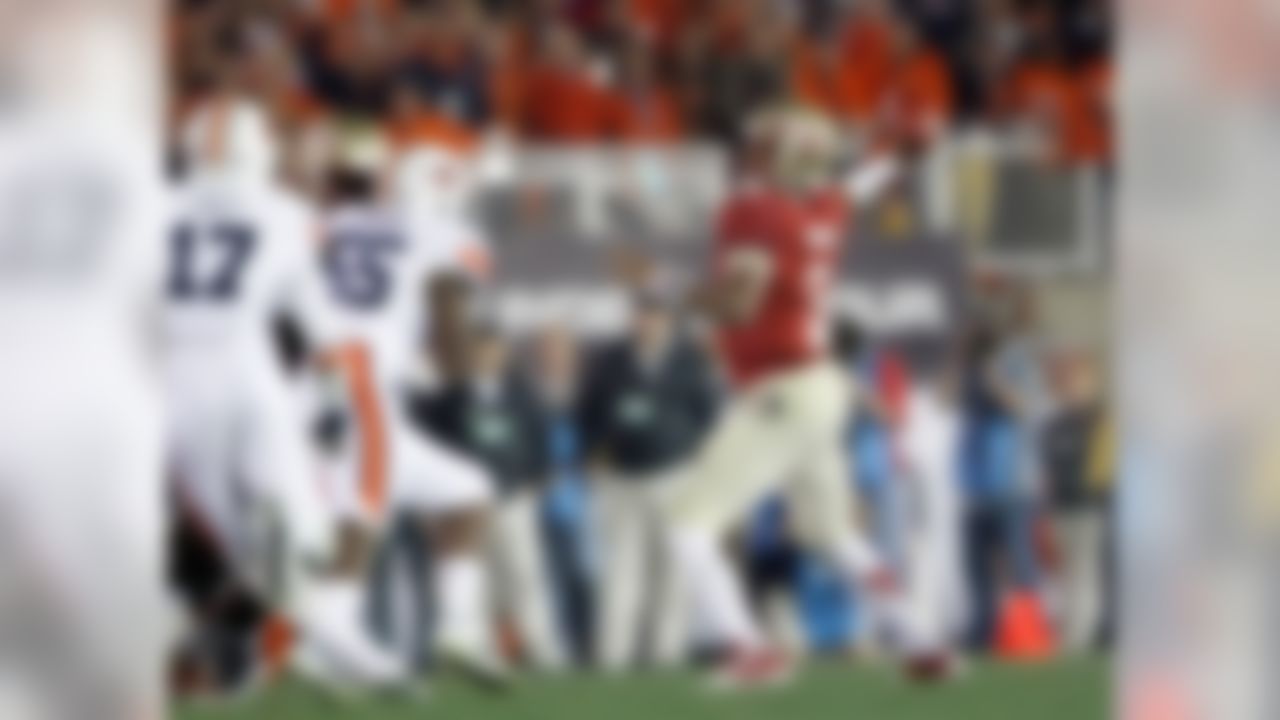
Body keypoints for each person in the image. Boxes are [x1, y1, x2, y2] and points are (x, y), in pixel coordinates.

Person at [165, 85, 407, 689]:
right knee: (300, 530)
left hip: (170, 379)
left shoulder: (150, 208)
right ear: (257, 154)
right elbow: (323, 331)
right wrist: (331, 408)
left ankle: (265, 651)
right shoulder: (288, 217)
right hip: (246, 370)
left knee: (231, 542)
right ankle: (333, 643)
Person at [664, 105, 906, 688]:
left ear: (772, 155)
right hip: (819, 384)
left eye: (757, 143)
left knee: (688, 522)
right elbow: (854, 186)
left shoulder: (757, 209)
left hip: (781, 385)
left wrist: (668, 291)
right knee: (834, 533)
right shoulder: (820, 208)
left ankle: (749, 649)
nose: (745, 153)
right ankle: (920, 638)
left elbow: (740, 303)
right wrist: (891, 154)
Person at [308, 134, 504, 688]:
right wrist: (464, 367)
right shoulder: (448, 236)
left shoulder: (340, 222)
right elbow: (448, 322)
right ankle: (332, 626)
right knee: (364, 502)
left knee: (466, 491)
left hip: (316, 371)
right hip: (360, 375)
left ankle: (460, 628)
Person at [410, 311, 567, 672]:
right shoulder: (449, 398)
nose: (487, 354)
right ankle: (481, 653)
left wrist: (536, 486)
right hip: (466, 506)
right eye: (480, 347)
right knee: (473, 580)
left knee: (526, 576)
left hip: (513, 499)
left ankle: (542, 649)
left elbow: (541, 447)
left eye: (494, 347)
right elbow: (432, 449)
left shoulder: (524, 395)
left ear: (505, 351)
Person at [579, 286, 721, 672]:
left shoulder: (690, 360)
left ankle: (665, 655)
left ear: (669, 320)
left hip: (675, 474)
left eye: (655, 313)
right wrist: (592, 452)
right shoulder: (609, 359)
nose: (646, 320)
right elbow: (587, 414)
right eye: (641, 312)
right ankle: (613, 656)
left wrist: (705, 468)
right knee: (621, 570)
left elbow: (708, 417)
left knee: (672, 571)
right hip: (622, 477)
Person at [1042, 349, 1109, 653]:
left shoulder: (1097, 419)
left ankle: (1079, 637)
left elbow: (1104, 465)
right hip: (1061, 506)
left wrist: (1097, 494)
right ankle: (1069, 632)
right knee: (1067, 575)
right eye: (1067, 382)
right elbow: (1049, 468)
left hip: (1087, 505)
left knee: (1085, 573)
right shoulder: (1054, 423)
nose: (1071, 387)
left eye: (1077, 381)